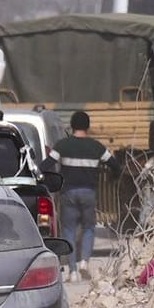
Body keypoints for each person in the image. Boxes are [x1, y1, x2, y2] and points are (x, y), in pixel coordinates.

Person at [46, 111, 112, 279]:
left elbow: (46, 164)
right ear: (87, 126)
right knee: (89, 228)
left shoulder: (62, 145)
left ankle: (73, 271)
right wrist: (112, 179)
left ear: (72, 126)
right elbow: (115, 165)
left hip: (68, 193)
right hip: (89, 192)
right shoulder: (96, 147)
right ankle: (84, 262)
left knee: (68, 230)